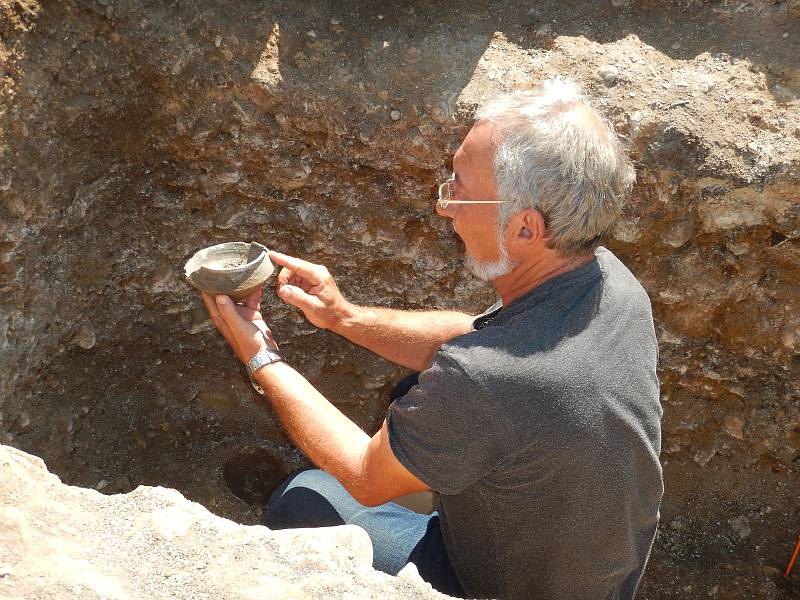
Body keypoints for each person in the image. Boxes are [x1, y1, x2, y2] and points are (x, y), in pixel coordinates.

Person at [200, 78, 663, 600]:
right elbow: (473, 338)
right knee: (414, 396)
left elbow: (365, 477)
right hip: (598, 574)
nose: (447, 206)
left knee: (303, 498)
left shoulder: (486, 380)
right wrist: (343, 316)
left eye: (462, 189)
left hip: (495, 586)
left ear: (526, 229)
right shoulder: (611, 283)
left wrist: (260, 356)